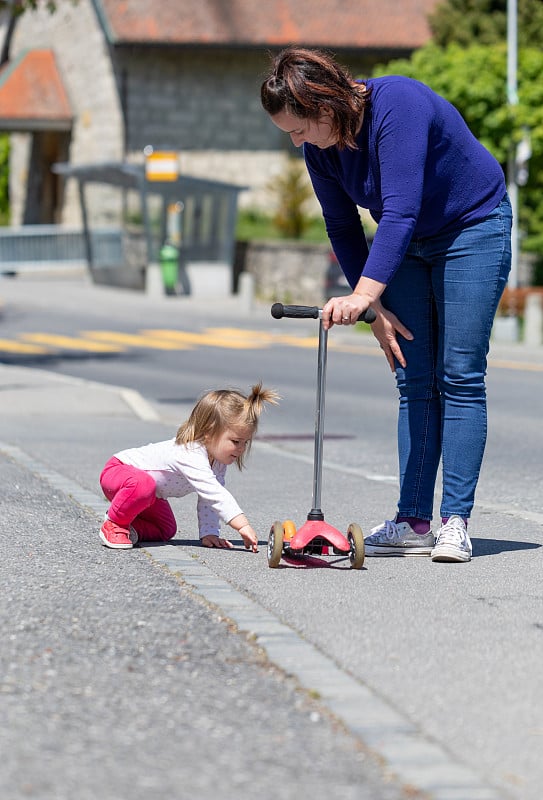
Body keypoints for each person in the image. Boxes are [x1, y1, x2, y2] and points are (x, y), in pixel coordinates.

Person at [261, 47, 512, 563]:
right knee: (412, 373)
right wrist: (373, 310)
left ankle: (454, 522)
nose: (296, 141)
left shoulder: (397, 104)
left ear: (324, 107)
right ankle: (413, 520)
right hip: (409, 244)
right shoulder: (320, 150)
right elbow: (343, 226)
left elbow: (399, 209)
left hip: (472, 230)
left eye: (299, 129)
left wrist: (363, 294)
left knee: (459, 373)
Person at [99, 383, 279, 551]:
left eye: (245, 442)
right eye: (235, 441)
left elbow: (208, 498)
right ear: (209, 432)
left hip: (148, 494)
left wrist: (209, 533)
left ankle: (124, 520)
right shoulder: (190, 453)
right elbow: (215, 493)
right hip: (118, 472)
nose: (241, 449)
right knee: (143, 484)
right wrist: (242, 525)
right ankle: (114, 524)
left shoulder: (216, 461)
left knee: (165, 530)